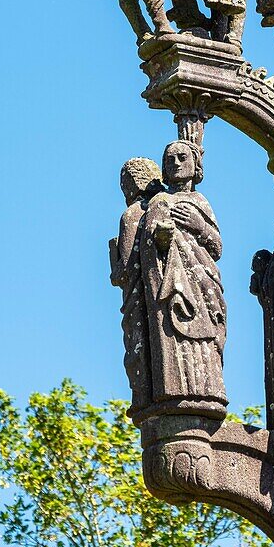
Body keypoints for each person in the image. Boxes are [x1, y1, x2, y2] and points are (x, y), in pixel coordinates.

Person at [138, 140, 228, 419]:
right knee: (178, 330)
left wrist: (197, 225)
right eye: (169, 160)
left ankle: (209, 388)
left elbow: (216, 247)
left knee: (207, 335)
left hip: (204, 281)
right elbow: (149, 246)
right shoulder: (160, 202)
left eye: (181, 157)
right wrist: (161, 239)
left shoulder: (201, 202)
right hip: (174, 283)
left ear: (194, 165)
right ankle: (181, 388)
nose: (175, 163)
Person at [109, 157, 163, 414]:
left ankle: (142, 396)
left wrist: (115, 264)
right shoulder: (163, 207)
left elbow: (126, 269)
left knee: (138, 348)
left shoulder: (132, 214)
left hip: (137, 295)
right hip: (162, 292)